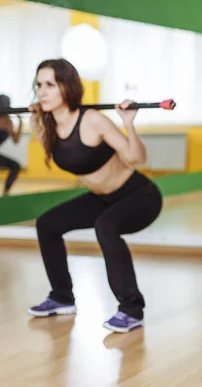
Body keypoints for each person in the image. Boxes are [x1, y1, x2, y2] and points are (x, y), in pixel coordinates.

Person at [26, 59, 163, 334]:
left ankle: (131, 310)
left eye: (50, 85)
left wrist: (129, 123)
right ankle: (62, 297)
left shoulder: (92, 120)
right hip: (101, 197)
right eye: (39, 85)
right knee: (47, 224)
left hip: (139, 196)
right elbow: (55, 154)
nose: (42, 91)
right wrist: (37, 120)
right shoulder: (45, 125)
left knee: (106, 226)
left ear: (67, 87)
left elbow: (137, 158)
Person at [0, 94, 23, 196]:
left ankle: (6, 193)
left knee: (16, 166)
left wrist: (21, 123)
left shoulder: (9, 122)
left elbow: (16, 140)